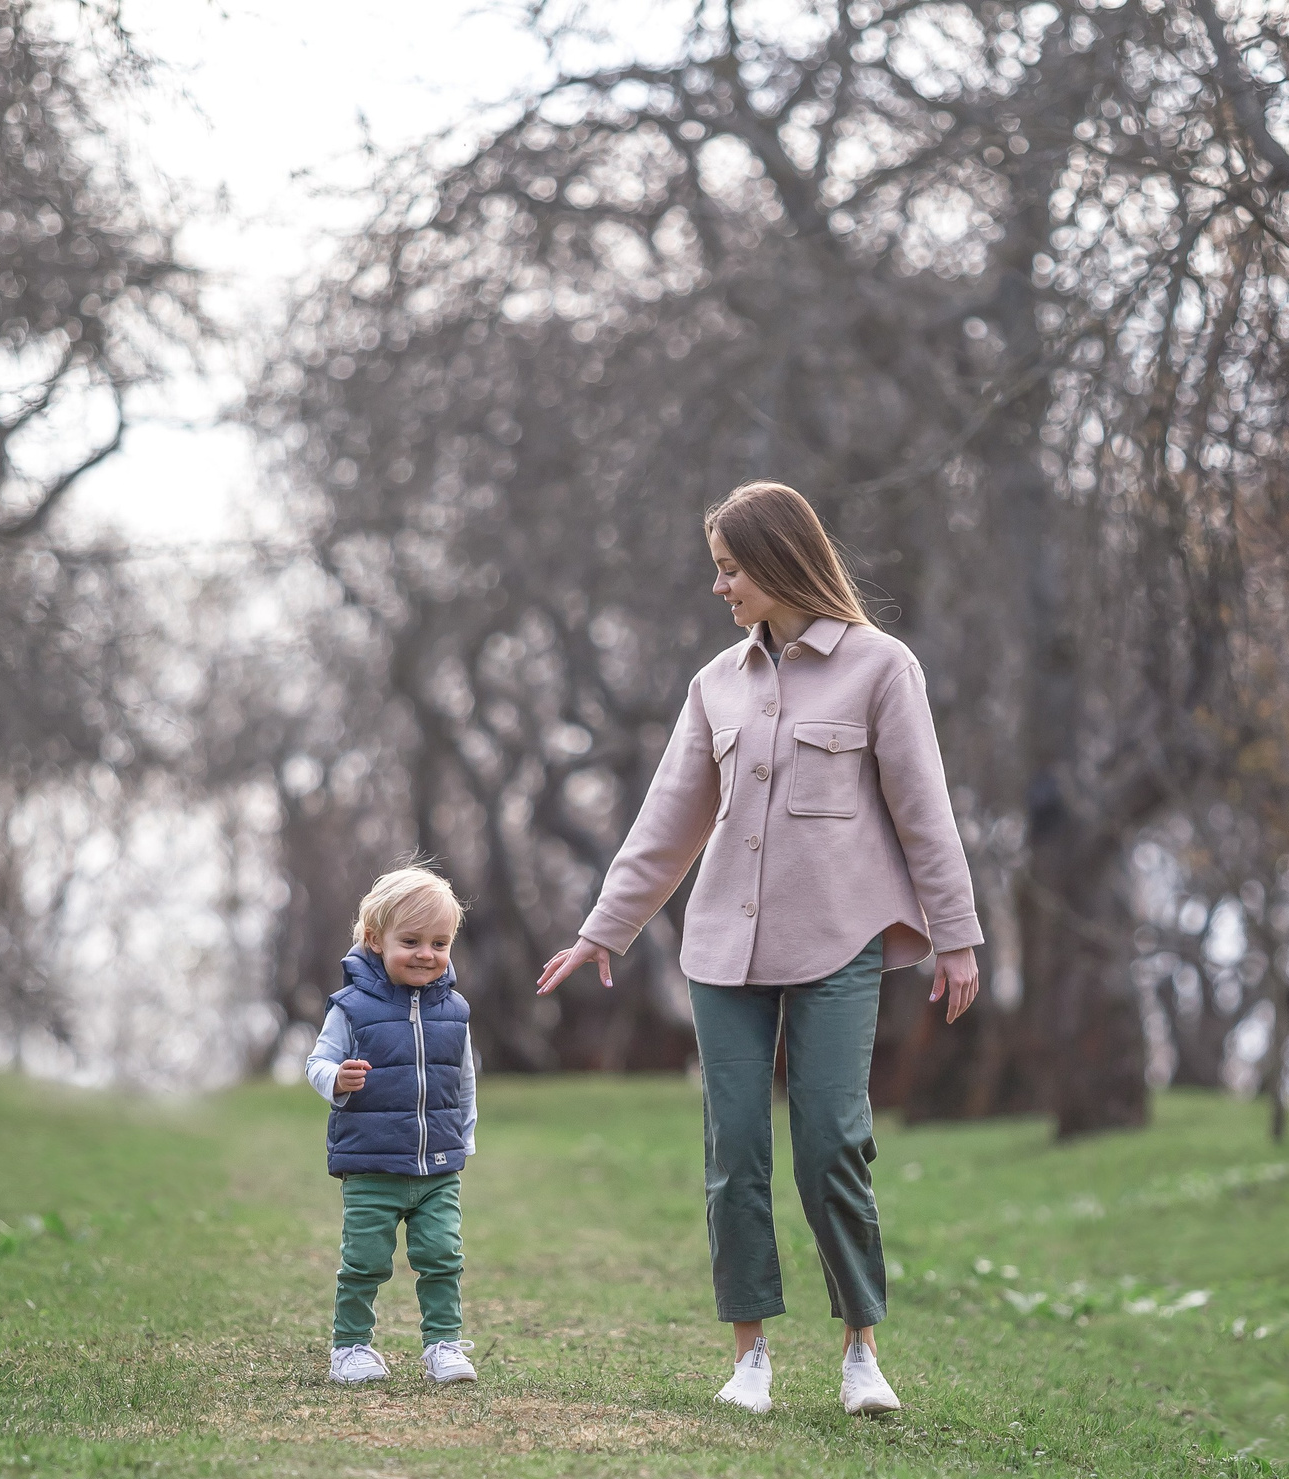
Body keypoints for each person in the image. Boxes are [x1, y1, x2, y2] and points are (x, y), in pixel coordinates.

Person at [538, 481, 983, 1419]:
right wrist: (602, 929)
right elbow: (669, 820)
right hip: (722, 953)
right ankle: (750, 1357)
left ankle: (862, 1349)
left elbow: (925, 814)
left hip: (839, 941)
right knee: (733, 1152)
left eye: (731, 569)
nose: (721, 588)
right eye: (718, 571)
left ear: (780, 563)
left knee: (830, 1144)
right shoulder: (716, 685)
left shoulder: (882, 669)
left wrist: (957, 936)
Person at [305, 865, 479, 1386]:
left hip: (438, 1166)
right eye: (411, 941)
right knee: (365, 1260)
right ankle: (350, 1348)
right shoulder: (351, 1009)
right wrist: (337, 1078)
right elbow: (316, 1063)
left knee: (443, 1255)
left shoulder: (456, 1011)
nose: (426, 953)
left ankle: (444, 1344)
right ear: (375, 940)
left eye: (439, 942)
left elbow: (464, 1079)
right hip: (371, 1163)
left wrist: (464, 1137)